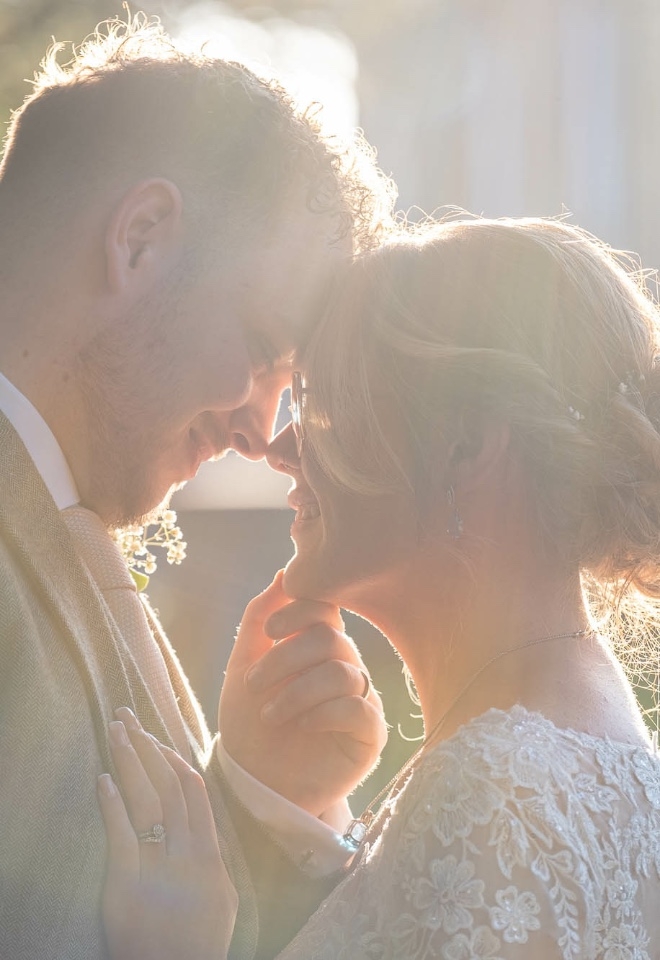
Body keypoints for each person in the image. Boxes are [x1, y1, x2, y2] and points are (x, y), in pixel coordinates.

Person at [101, 216, 660, 958]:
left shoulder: (496, 792)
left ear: (465, 443)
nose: (280, 446)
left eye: (328, 403)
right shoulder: (586, 746)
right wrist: (306, 816)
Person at [0, 13, 394, 960]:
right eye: (262, 350)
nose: (263, 429)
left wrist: (259, 795)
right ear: (139, 239)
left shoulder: (64, 514)